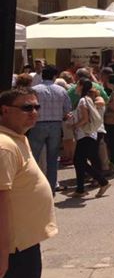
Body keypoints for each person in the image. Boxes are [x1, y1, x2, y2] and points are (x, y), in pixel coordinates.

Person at [0, 88, 58, 278]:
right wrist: (3, 253)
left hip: (23, 245)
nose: (33, 112)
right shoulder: (4, 146)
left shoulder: (16, 138)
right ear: (4, 111)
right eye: (26, 108)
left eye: (36, 107)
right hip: (13, 250)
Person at [27, 65, 71, 193]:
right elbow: (67, 110)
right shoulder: (61, 90)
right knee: (53, 157)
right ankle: (51, 187)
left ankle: (32, 186)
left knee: (33, 157)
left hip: (38, 124)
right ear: (54, 76)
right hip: (55, 125)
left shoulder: (34, 90)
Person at [69, 78, 110, 198]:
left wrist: (74, 125)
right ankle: (80, 189)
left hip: (85, 134)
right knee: (79, 161)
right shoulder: (87, 99)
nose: (76, 87)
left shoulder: (83, 100)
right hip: (88, 134)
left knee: (79, 161)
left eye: (77, 85)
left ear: (81, 86)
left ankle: (102, 182)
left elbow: (85, 119)